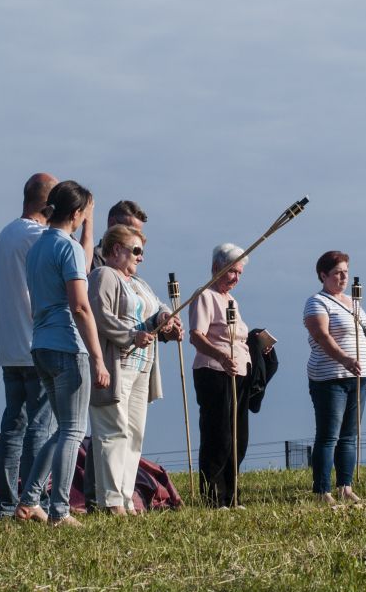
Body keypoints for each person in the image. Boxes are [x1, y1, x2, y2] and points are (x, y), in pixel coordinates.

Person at [15, 180, 111, 527]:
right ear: (76, 213)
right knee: (73, 430)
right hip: (67, 346)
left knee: (61, 429)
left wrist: (89, 221)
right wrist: (98, 357)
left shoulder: (38, 247)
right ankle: (60, 510)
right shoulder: (66, 248)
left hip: (40, 344)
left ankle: (28, 500)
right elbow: (80, 306)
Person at [87, 224, 183, 514]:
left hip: (143, 368)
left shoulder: (139, 283)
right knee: (112, 431)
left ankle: (127, 499)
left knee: (133, 433)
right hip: (116, 366)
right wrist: (132, 335)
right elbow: (99, 317)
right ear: (116, 250)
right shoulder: (103, 275)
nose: (141, 257)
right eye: (136, 250)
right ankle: (111, 500)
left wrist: (166, 318)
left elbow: (156, 309)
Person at [0, 172, 58, 519]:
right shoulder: (38, 236)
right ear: (49, 205)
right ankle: (34, 500)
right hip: (36, 341)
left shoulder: (6, 233)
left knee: (12, 425)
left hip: (9, 345)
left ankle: (4, 503)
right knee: (40, 426)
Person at [303, 251, 366, 505]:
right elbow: (322, 336)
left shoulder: (353, 302)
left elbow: (364, 335)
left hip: (358, 377)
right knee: (328, 435)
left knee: (349, 435)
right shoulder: (317, 302)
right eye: (337, 272)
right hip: (330, 377)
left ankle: (345, 486)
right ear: (323, 275)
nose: (343, 277)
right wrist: (344, 358)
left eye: (345, 271)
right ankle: (322, 489)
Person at [189, 244, 252, 508]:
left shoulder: (232, 301)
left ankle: (232, 494)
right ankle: (213, 496)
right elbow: (197, 336)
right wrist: (221, 356)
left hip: (239, 372)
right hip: (214, 372)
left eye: (239, 273)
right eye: (232, 272)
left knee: (238, 435)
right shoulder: (205, 295)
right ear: (217, 269)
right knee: (219, 435)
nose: (236, 278)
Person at [91, 200, 148, 270]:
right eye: (131, 230)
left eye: (139, 232)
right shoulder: (96, 256)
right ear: (112, 223)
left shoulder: (131, 263)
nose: (137, 237)